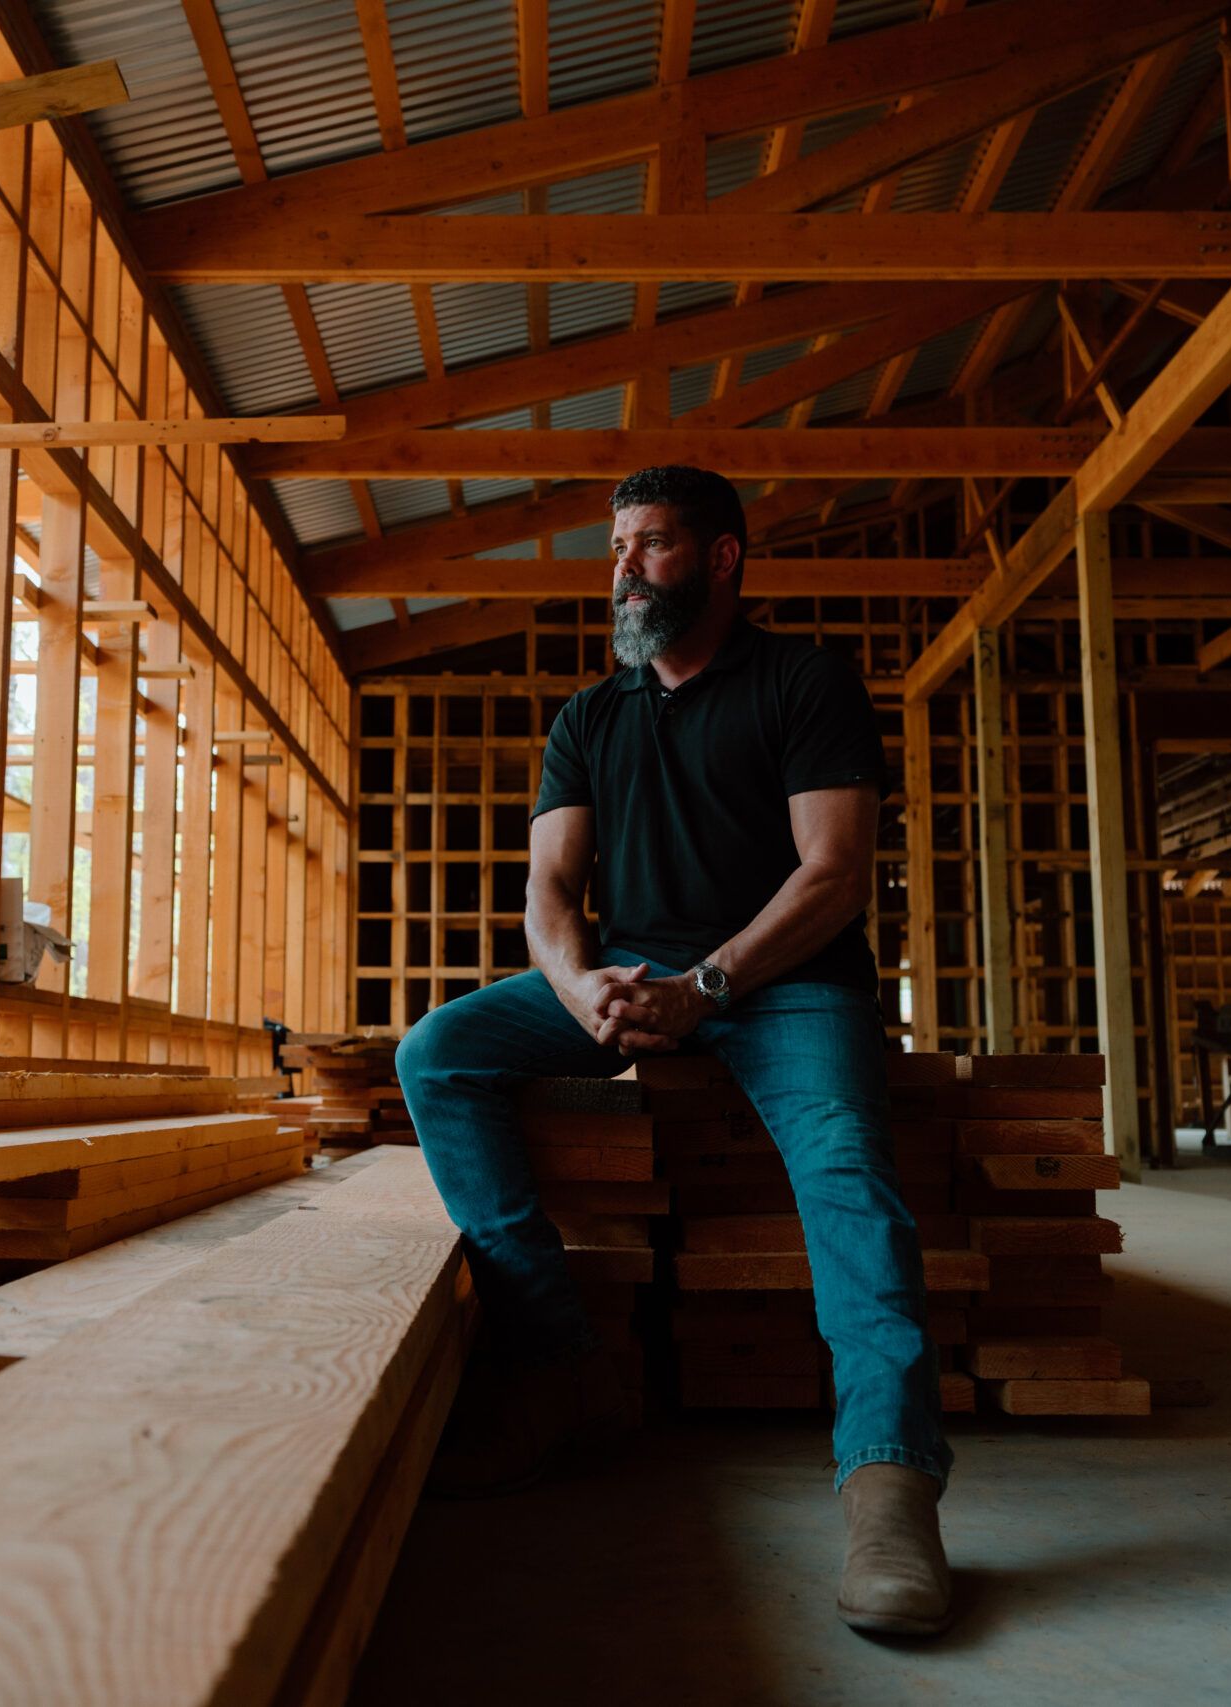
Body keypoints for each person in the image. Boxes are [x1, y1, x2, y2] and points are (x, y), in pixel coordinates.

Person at [395, 465, 954, 1638]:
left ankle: (890, 1486)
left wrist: (708, 988)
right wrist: (579, 986)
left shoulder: (803, 681)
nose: (623, 569)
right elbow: (550, 891)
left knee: (848, 1173)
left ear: (721, 557)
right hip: (630, 979)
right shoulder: (589, 717)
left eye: (649, 544)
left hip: (788, 983)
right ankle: (562, 1371)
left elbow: (834, 874)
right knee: (438, 1051)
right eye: (617, 548)